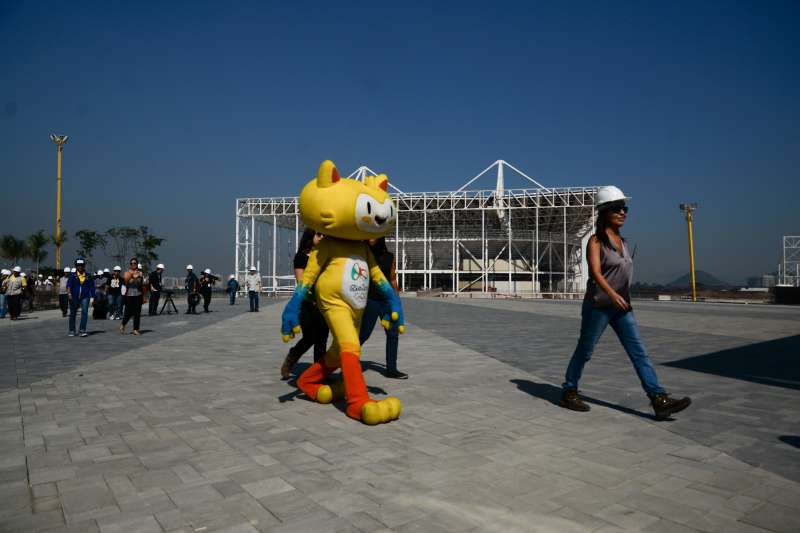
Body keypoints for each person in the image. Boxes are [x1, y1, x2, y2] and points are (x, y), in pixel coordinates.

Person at [560, 186, 692, 420]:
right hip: (599, 306)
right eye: (617, 209)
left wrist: (620, 297)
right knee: (585, 351)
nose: (623, 212)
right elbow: (595, 273)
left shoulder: (623, 241)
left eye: (625, 208)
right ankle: (569, 390)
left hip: (621, 307)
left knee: (639, 353)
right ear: (605, 212)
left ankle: (658, 399)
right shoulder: (596, 241)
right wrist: (612, 295)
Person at [280, 229, 330, 379]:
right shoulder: (301, 256)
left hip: (323, 303)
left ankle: (319, 374)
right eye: (319, 234)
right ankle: (291, 358)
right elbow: (301, 282)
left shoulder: (325, 256)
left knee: (322, 339)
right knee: (310, 337)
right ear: (310, 237)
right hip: (307, 304)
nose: (322, 237)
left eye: (323, 235)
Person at [359, 237, 407, 379]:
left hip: (387, 301)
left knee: (393, 334)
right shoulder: (363, 255)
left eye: (374, 235)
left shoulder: (389, 256)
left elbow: (392, 278)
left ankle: (391, 369)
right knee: (364, 334)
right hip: (370, 300)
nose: (370, 237)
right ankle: (345, 360)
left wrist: (396, 301)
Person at [66, 259, 96, 337]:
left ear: (84, 266)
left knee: (85, 312)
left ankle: (82, 330)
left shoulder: (88, 275)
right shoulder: (72, 275)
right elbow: (69, 286)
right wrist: (69, 294)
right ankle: (72, 330)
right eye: (78, 265)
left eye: (81, 265)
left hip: (85, 296)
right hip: (74, 296)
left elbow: (92, 287)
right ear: (76, 266)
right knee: (73, 313)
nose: (80, 267)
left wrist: (93, 297)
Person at [119, 258, 144, 335]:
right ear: (130, 265)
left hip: (138, 295)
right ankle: (123, 324)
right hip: (129, 295)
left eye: (135, 263)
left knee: (137, 313)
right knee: (128, 312)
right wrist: (134, 276)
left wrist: (137, 277)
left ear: (137, 264)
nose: (133, 265)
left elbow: (139, 283)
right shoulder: (127, 273)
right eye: (132, 263)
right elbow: (127, 281)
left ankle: (135, 329)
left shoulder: (140, 273)